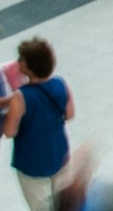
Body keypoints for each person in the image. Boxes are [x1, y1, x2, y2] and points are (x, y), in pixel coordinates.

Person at [2, 37, 73, 211]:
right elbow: (70, 114)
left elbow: (10, 132)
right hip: (59, 154)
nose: (18, 61)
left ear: (29, 66)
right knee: (64, 205)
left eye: (21, 58)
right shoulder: (60, 83)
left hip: (32, 162)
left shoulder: (21, 96)